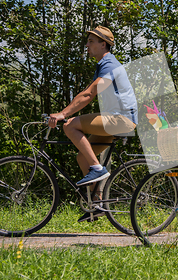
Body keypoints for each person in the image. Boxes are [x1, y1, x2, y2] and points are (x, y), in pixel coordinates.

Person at [48, 26, 137, 222]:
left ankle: (98, 169)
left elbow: (89, 94)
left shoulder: (109, 64)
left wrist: (63, 114)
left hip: (121, 120)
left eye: (91, 41)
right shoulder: (104, 64)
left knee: (70, 125)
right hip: (116, 119)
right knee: (83, 158)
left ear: (103, 44)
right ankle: (97, 205)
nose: (87, 45)